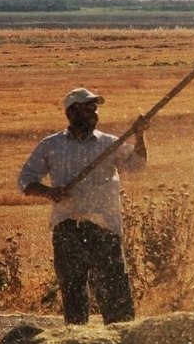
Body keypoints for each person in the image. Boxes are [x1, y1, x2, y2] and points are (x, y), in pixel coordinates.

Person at [18, 87, 150, 325]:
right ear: (71, 113)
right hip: (68, 227)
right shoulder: (51, 145)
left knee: (115, 292)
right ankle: (77, 343)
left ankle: (122, 343)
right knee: (73, 292)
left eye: (94, 109)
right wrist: (50, 192)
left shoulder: (109, 144)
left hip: (104, 227)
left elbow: (137, 166)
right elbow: (26, 180)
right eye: (87, 109)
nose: (93, 114)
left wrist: (139, 136)